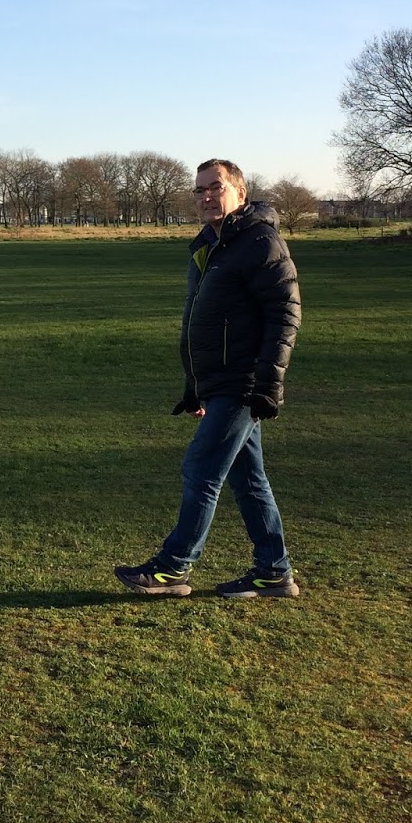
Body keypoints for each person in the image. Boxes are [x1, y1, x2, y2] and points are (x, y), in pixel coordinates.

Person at [115, 157, 302, 599]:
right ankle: (274, 572)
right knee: (247, 479)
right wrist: (196, 387)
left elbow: (285, 315)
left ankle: (173, 567)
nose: (206, 197)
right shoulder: (210, 245)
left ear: (240, 191)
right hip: (219, 383)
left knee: (201, 468)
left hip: (243, 382)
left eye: (215, 187)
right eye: (199, 190)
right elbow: (203, 322)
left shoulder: (259, 241)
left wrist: (268, 384)